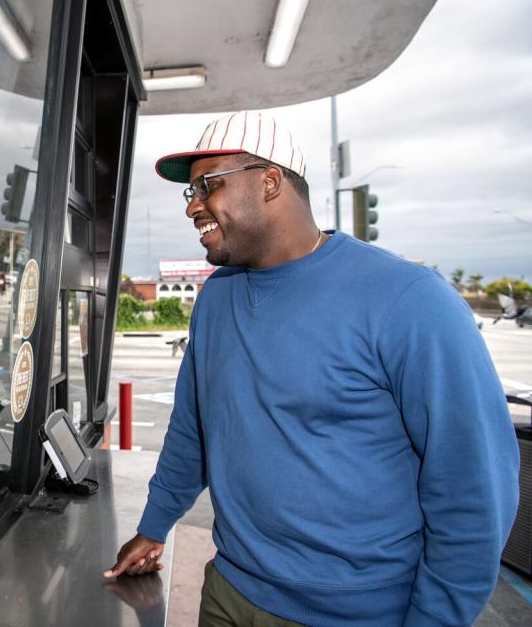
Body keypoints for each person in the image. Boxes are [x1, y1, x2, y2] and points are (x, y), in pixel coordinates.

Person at [104, 110, 519, 627]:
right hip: (228, 592)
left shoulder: (410, 300)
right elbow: (194, 431)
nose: (192, 206)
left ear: (271, 182)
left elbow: (472, 487)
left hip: (358, 613)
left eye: (206, 186)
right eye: (188, 191)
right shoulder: (216, 298)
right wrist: (154, 525)